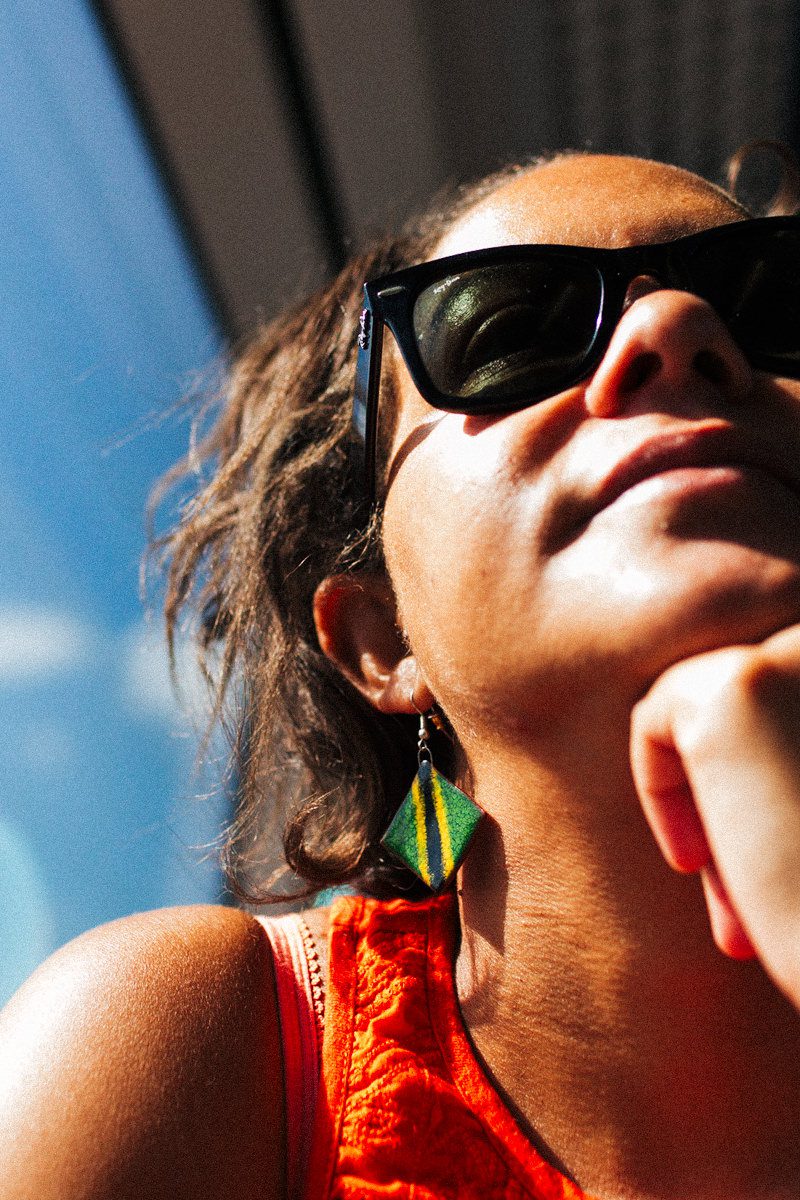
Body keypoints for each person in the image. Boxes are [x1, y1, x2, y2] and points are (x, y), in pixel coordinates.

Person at [3, 148, 800, 1200]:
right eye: (510, 333)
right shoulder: (206, 1056)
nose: (678, 328)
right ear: (381, 639)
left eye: (770, 301)